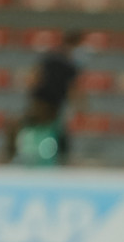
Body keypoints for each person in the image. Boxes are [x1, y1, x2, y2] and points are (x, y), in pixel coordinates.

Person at [6, 30, 88, 163]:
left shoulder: (51, 58)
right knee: (27, 125)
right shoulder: (68, 63)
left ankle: (12, 154)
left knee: (56, 129)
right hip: (46, 105)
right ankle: (62, 159)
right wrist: (82, 106)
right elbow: (73, 89)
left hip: (46, 103)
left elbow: (34, 76)